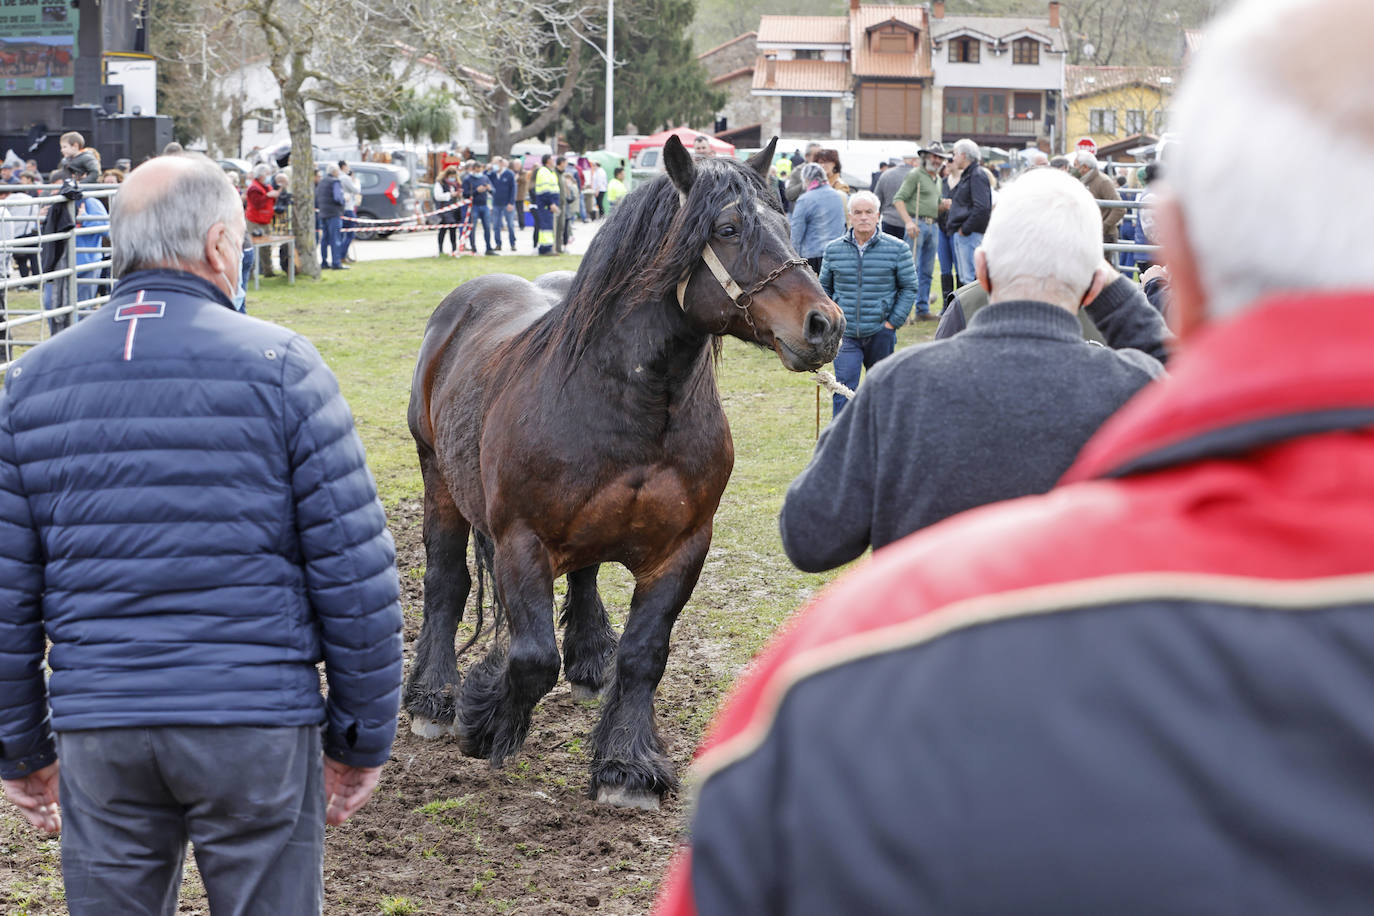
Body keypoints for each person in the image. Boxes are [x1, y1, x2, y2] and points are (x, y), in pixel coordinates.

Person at [657, 2, 1374, 912]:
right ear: (1112, 280)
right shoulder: (1125, 384)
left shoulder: (839, 680)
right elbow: (1173, 377)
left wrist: (938, 350)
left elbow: (808, 535)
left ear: (1180, 255)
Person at [0, 152, 403, 914]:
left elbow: (6, 591)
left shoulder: (30, 383)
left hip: (103, 725)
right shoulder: (283, 367)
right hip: (253, 720)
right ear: (220, 246)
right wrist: (359, 739)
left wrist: (21, 746)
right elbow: (355, 577)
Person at [781, 168, 1166, 569]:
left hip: (934, 625)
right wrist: (1115, 291)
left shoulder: (900, 385)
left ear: (980, 270)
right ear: (1094, 287)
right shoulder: (1137, 388)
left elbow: (810, 537)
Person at [818, 190, 916, 416]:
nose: (863, 217)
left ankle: (882, 440)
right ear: (849, 216)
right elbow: (824, 290)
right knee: (843, 390)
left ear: (878, 215)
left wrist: (892, 322)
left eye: (868, 212)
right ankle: (842, 444)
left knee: (882, 390)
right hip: (846, 335)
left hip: (881, 331)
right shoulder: (833, 250)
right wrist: (832, 324)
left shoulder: (898, 248)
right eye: (858, 212)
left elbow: (909, 287)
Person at [892, 146, 945, 320]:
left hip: (933, 226)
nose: (937, 160)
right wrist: (908, 222)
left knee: (927, 271)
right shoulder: (915, 174)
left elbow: (935, 205)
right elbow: (898, 199)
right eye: (934, 156)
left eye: (939, 157)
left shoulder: (937, 178)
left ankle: (922, 310)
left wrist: (943, 205)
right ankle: (903, 311)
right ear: (925, 157)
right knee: (910, 269)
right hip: (917, 225)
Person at [946, 137, 992, 290]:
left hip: (970, 235)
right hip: (964, 234)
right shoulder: (969, 175)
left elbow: (982, 207)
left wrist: (965, 229)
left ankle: (974, 313)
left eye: (955, 154)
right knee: (966, 279)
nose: (953, 158)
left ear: (963, 155)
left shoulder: (977, 175)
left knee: (971, 281)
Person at [788, 163, 846, 275]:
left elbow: (796, 233)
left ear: (806, 179)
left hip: (812, 256)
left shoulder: (804, 200)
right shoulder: (838, 196)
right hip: (836, 254)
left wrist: (793, 257)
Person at [1073, 149, 1123, 244]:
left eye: (1075, 165)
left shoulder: (1103, 182)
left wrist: (1103, 227)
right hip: (1086, 233)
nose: (1073, 168)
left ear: (1085, 167)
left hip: (1103, 236)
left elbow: (1120, 208)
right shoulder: (1081, 181)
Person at [244, 163, 280, 277]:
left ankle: (268, 271)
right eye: (268, 174)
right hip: (254, 221)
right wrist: (268, 196)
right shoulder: (254, 188)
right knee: (251, 247)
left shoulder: (267, 186)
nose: (269, 176)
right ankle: (250, 273)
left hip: (265, 220)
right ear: (261, 175)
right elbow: (257, 203)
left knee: (267, 248)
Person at [873, 148, 916, 240]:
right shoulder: (917, 176)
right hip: (910, 224)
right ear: (914, 161)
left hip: (888, 221)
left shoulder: (886, 174)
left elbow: (876, 200)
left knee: (888, 252)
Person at [314, 164, 347, 270]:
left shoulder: (321, 182)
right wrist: (344, 200)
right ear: (335, 172)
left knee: (324, 239)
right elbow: (338, 197)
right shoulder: (335, 182)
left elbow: (317, 197)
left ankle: (324, 261)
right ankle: (336, 262)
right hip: (334, 213)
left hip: (323, 213)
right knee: (335, 239)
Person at [463, 160, 495, 255]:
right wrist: (476, 191)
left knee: (487, 227)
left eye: (480, 169)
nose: (479, 172)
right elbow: (465, 194)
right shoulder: (468, 179)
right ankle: (473, 248)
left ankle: (488, 248)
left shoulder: (485, 178)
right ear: (473, 169)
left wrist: (490, 189)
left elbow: (493, 191)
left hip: (484, 205)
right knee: (472, 228)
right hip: (474, 206)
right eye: (477, 170)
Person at [532, 154, 560, 255]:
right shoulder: (543, 172)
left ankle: (548, 247)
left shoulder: (550, 172)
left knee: (548, 226)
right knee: (546, 227)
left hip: (549, 204)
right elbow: (545, 190)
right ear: (548, 161)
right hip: (546, 204)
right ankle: (545, 248)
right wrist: (551, 203)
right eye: (552, 159)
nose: (554, 161)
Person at [432, 165, 461, 256]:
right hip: (444, 210)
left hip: (454, 210)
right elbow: (438, 196)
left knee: (453, 231)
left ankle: (454, 249)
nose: (453, 178)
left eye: (454, 176)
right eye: (451, 176)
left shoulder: (456, 184)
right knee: (443, 230)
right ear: (447, 175)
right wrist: (450, 195)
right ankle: (440, 249)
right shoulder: (440, 183)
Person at [490, 156, 518, 251]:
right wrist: (488, 168)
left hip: (507, 204)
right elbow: (484, 177)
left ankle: (512, 243)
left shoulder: (509, 174)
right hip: (496, 203)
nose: (494, 165)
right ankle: (498, 244)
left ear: (501, 163)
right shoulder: (493, 174)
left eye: (496, 163)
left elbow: (513, 189)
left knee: (510, 224)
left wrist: (511, 203)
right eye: (493, 163)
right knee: (496, 225)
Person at [337, 161, 361, 264]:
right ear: (344, 167)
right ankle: (342, 255)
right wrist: (356, 182)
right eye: (347, 166)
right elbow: (356, 190)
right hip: (348, 208)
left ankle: (344, 255)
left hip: (341, 209)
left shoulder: (338, 177)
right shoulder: (345, 178)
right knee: (350, 234)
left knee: (343, 234)